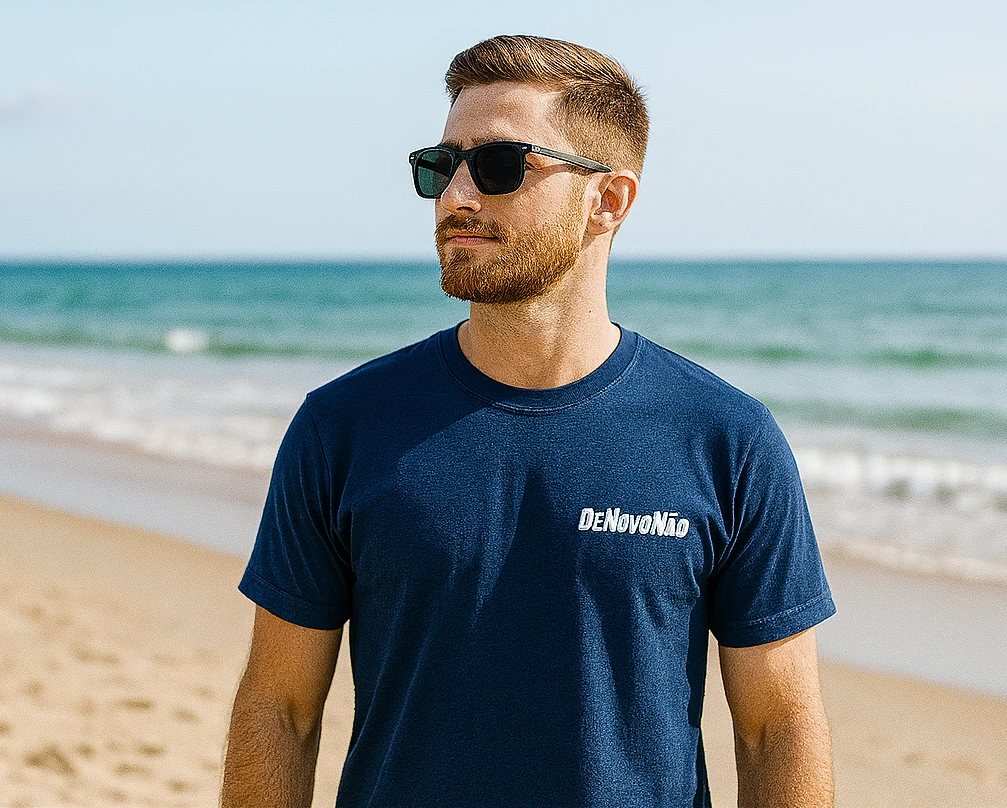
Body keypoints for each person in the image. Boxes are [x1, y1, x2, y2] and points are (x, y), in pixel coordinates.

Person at [221, 34, 836, 808]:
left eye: (499, 165)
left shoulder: (727, 440)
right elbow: (280, 710)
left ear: (608, 201)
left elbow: (777, 728)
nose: (456, 196)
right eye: (440, 166)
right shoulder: (342, 427)